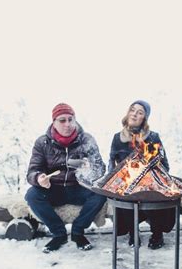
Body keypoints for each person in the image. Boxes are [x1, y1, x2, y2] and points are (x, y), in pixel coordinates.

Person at [25, 103, 106, 253]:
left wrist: (90, 168)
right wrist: (39, 178)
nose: (67, 124)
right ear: (54, 122)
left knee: (100, 193)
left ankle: (78, 231)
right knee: (32, 195)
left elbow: (101, 168)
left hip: (79, 187)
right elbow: (32, 170)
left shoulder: (87, 139)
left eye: (70, 119)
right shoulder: (42, 142)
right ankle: (58, 234)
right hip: (53, 188)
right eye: (62, 120)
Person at [108, 100, 174, 249]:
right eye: (132, 110)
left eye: (140, 112)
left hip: (149, 182)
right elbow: (111, 166)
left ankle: (157, 233)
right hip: (126, 182)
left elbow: (164, 165)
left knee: (155, 192)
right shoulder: (117, 138)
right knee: (125, 192)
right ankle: (132, 232)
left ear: (144, 118)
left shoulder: (152, 137)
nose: (135, 114)